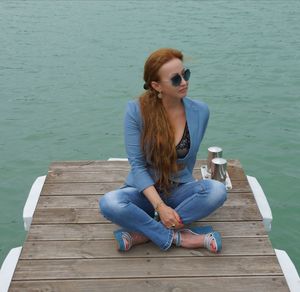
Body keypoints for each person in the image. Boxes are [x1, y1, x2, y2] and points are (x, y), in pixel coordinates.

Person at [99, 48, 227, 252]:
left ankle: (145, 233)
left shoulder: (200, 111)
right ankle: (180, 238)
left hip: (179, 191)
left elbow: (189, 161)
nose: (184, 82)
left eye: (185, 74)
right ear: (156, 85)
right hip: (144, 193)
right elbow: (138, 166)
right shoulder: (136, 111)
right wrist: (160, 207)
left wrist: (167, 207)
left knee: (217, 191)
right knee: (110, 203)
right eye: (175, 79)